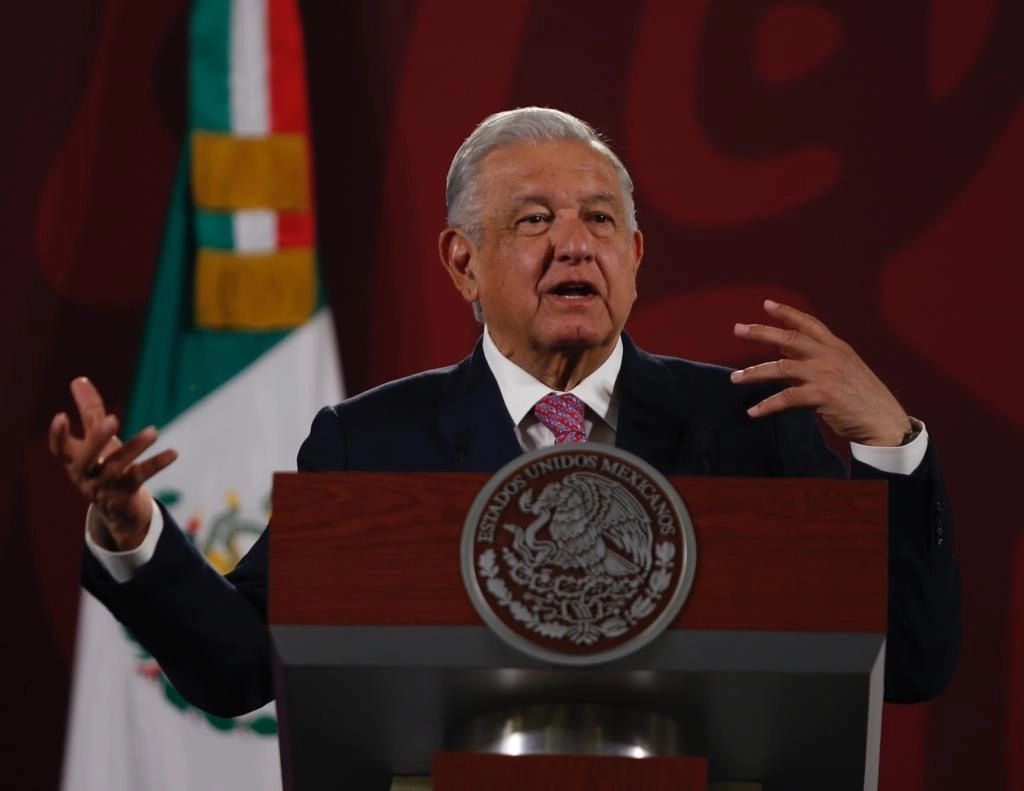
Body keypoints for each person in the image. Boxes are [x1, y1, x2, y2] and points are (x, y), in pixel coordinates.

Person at [50, 107, 961, 717]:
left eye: (601, 220)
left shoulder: (754, 422)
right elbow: (241, 666)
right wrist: (133, 532)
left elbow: (909, 664)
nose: (575, 242)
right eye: (533, 220)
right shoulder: (371, 443)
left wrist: (893, 445)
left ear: (636, 254)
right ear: (461, 262)